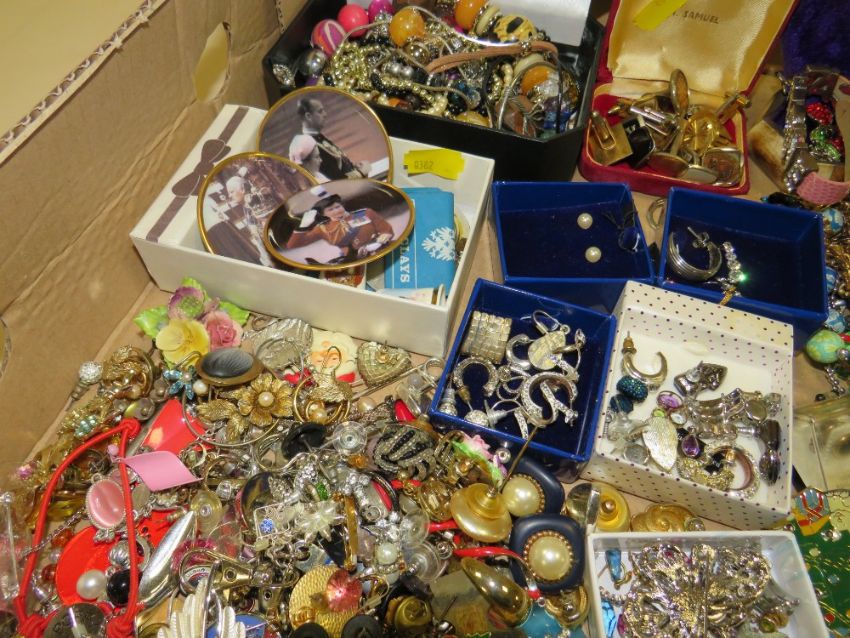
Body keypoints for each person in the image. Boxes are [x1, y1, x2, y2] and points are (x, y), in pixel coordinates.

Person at [285, 194, 394, 263]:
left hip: (380, 249)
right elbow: (292, 245)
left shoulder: (365, 213)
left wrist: (382, 238)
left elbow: (387, 230)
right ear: (324, 214)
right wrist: (303, 226)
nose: (337, 211)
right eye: (331, 210)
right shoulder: (323, 228)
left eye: (338, 207)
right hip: (353, 260)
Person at [291, 97, 372, 180]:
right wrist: (361, 172)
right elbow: (335, 180)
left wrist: (355, 168)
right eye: (320, 111)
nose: (325, 114)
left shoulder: (318, 137)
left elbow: (339, 165)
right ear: (308, 116)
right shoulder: (308, 145)